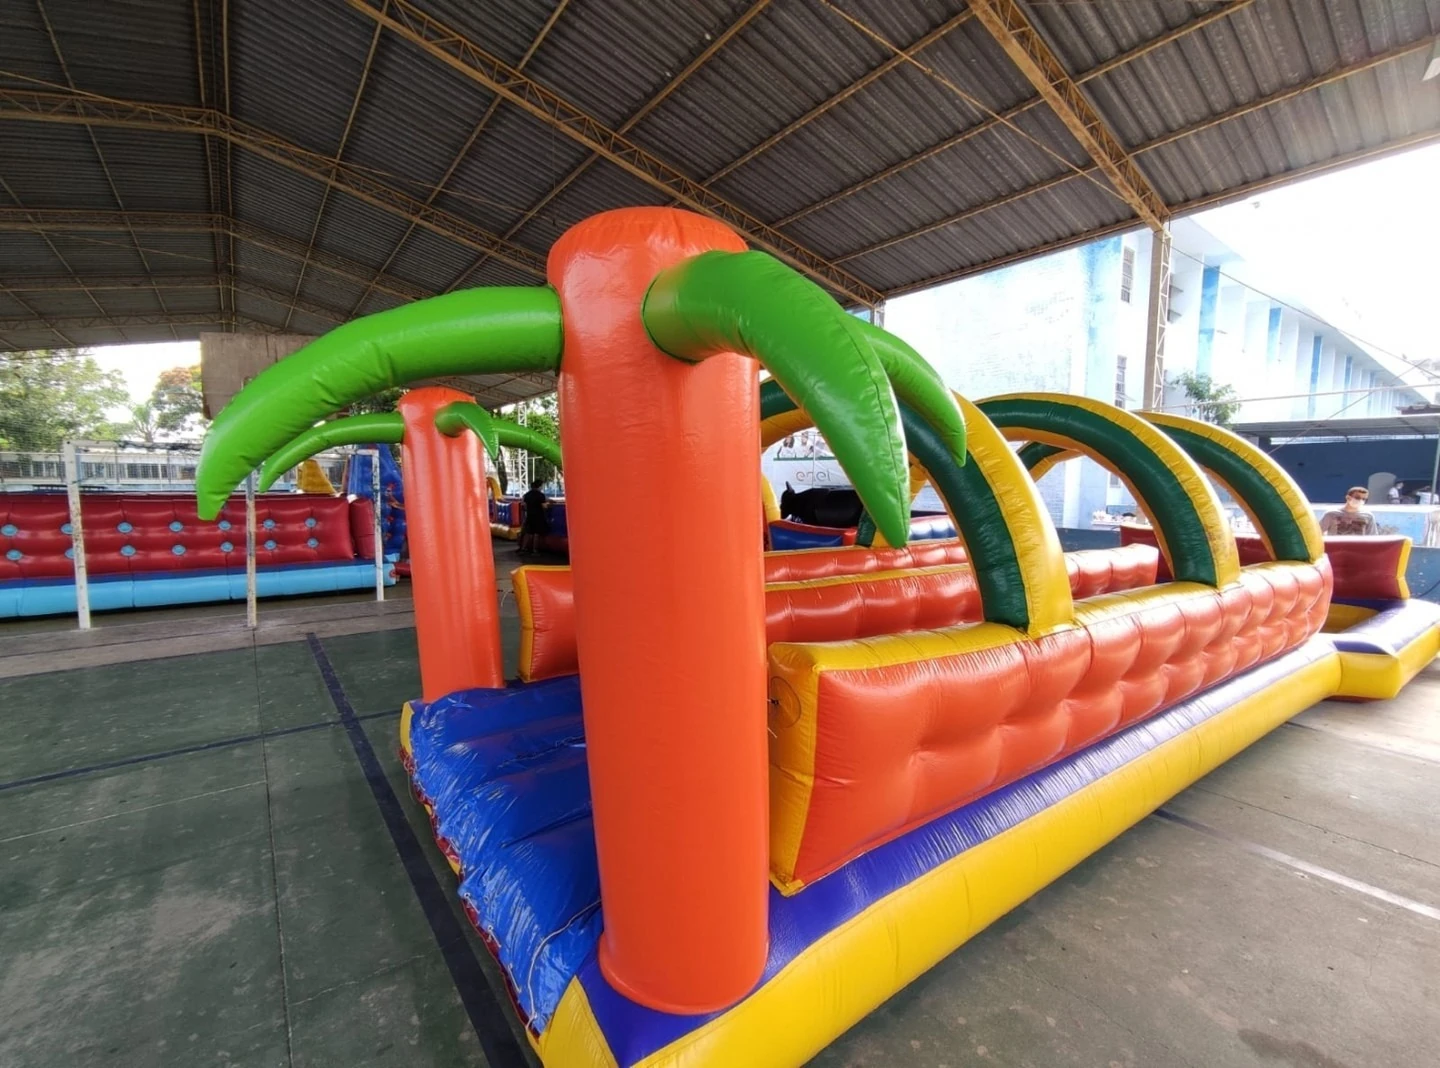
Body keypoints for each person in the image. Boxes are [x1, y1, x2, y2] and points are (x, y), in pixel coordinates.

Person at [519, 479, 550, 554]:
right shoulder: (541, 495)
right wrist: (549, 504)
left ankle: (523, 549)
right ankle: (534, 550)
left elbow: (524, 505)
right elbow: (544, 506)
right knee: (536, 534)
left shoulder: (527, 494)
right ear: (540, 486)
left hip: (529, 515)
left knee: (528, 533)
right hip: (538, 516)